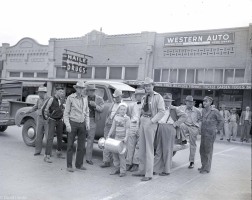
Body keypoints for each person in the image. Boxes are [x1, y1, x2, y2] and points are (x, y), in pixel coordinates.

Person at [132, 77, 165, 181]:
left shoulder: (158, 97)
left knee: (149, 148)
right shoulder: (144, 97)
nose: (147, 87)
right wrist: (140, 122)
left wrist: (152, 121)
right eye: (146, 86)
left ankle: (148, 174)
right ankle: (141, 170)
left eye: (149, 85)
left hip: (151, 122)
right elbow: (141, 110)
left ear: (153, 86)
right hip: (143, 120)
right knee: (141, 147)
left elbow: (162, 112)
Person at [154, 93, 186, 176]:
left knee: (167, 150)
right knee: (158, 149)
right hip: (160, 127)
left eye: (168, 101)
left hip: (169, 127)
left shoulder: (174, 109)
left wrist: (176, 123)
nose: (166, 103)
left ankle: (166, 170)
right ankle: (156, 169)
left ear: (171, 102)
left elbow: (184, 116)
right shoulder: (160, 108)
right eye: (165, 101)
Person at [63, 81, 90, 172]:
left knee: (81, 146)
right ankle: (69, 166)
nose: (81, 90)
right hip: (72, 123)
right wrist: (68, 124)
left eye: (82, 88)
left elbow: (86, 112)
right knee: (70, 145)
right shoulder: (70, 98)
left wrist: (87, 123)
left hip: (82, 124)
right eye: (79, 88)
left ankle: (79, 164)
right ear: (76, 89)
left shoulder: (85, 99)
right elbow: (66, 113)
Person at [21, 86, 49, 156]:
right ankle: (37, 151)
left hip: (47, 120)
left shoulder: (49, 100)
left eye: (40, 92)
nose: (39, 94)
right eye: (39, 92)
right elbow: (34, 108)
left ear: (44, 93)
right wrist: (26, 112)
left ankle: (48, 153)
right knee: (38, 135)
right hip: (39, 119)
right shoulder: (39, 100)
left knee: (48, 136)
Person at [199, 96, 224, 174]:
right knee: (202, 150)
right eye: (203, 101)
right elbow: (201, 120)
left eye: (206, 101)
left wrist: (217, 129)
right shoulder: (203, 111)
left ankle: (207, 169)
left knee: (208, 151)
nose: (204, 103)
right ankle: (203, 166)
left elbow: (221, 120)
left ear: (210, 102)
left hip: (210, 133)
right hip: (203, 133)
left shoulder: (215, 111)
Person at [100, 89, 123, 168]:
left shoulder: (123, 105)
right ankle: (106, 161)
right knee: (106, 142)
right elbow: (109, 113)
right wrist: (107, 121)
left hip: (116, 126)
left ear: (120, 96)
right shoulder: (113, 104)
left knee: (115, 143)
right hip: (109, 124)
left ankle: (116, 163)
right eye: (115, 97)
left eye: (117, 97)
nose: (116, 98)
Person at [107, 103, 130, 177]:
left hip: (122, 139)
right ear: (119, 110)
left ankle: (123, 170)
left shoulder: (127, 118)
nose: (123, 111)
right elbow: (113, 127)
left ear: (126, 111)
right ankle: (117, 168)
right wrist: (109, 135)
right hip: (116, 138)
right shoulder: (116, 117)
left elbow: (127, 129)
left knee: (121, 154)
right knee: (115, 153)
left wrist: (126, 137)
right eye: (121, 109)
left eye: (124, 110)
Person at [43, 87, 65, 163]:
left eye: (62, 92)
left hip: (59, 121)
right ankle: (47, 156)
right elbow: (44, 109)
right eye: (60, 91)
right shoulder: (51, 99)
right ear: (56, 91)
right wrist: (47, 118)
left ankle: (59, 152)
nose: (61, 93)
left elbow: (61, 109)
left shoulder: (61, 100)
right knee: (50, 138)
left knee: (60, 137)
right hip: (52, 120)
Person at [126, 88, 145, 172]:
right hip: (133, 125)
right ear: (135, 96)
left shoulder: (146, 105)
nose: (140, 97)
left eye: (141, 95)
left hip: (142, 126)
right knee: (130, 145)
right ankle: (128, 163)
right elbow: (129, 114)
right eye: (138, 95)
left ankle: (135, 164)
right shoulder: (131, 105)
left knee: (138, 145)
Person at [179, 96, 202, 169]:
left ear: (193, 103)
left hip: (193, 127)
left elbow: (200, 119)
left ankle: (192, 161)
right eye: (188, 102)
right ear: (185, 102)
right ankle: (184, 139)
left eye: (191, 102)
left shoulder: (197, 110)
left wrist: (198, 126)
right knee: (181, 125)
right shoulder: (182, 108)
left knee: (193, 144)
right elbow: (173, 108)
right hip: (185, 125)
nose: (189, 103)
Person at [85, 84, 104, 165]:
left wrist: (95, 105)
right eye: (90, 90)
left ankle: (88, 158)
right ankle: (78, 157)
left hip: (92, 120)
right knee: (81, 138)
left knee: (90, 139)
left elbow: (101, 109)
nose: (92, 92)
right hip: (83, 119)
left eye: (93, 90)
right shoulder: (83, 98)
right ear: (87, 91)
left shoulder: (99, 99)